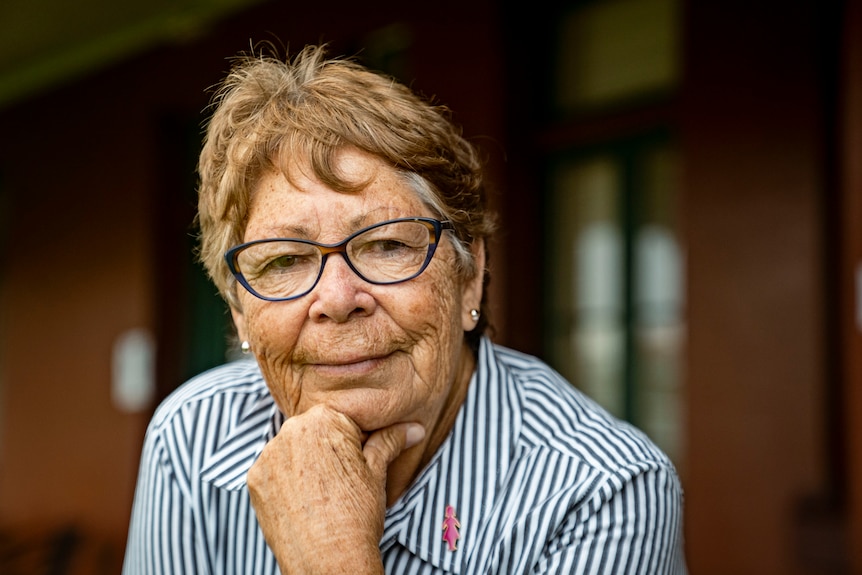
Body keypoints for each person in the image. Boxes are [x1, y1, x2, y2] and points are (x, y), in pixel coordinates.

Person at [122, 44, 687, 574]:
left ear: (470, 278)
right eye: (286, 261)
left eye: (389, 245)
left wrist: (335, 561)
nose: (338, 301)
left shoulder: (605, 492)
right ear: (240, 311)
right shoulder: (193, 437)